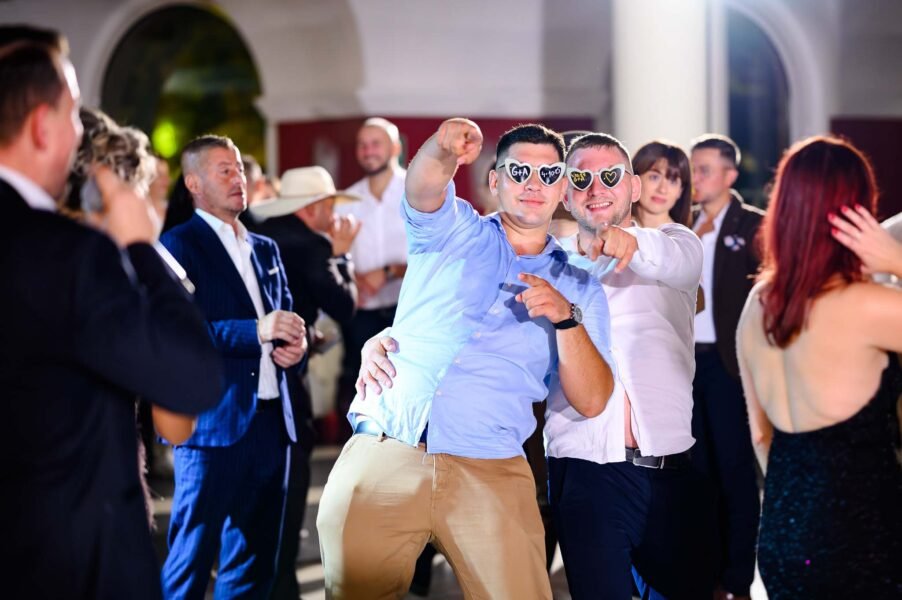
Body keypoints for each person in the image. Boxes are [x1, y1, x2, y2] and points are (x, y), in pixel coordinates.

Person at [360, 132, 713, 599]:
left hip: (670, 469)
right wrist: (387, 341)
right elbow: (467, 318)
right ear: (565, 191)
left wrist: (623, 242)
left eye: (610, 177)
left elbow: (675, 263)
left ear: (633, 187)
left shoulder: (676, 244)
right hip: (584, 470)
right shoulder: (550, 261)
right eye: (581, 178)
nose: (596, 188)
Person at [317, 118, 616, 599]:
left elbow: (593, 399)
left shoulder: (579, 286)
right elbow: (423, 187)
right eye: (519, 171)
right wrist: (442, 146)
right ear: (494, 181)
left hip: (492, 466)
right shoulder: (451, 228)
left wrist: (566, 319)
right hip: (387, 446)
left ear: (563, 188)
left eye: (547, 174)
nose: (533, 184)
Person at [0, 26, 222, 600]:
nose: (77, 129)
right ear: (42, 126)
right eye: (71, 112)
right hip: (69, 559)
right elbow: (192, 379)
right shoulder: (69, 255)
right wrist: (143, 250)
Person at [737, 136, 902, 598]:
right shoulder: (869, 305)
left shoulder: (759, 303)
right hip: (860, 532)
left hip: (782, 529)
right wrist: (897, 261)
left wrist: (798, 506)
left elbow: (761, 435)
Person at [160, 135, 308, 599]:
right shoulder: (177, 244)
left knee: (255, 563)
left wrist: (295, 348)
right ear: (193, 184)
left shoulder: (266, 248)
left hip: (272, 424)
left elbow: (284, 322)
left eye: (240, 168)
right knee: (190, 561)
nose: (238, 177)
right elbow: (180, 333)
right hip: (211, 427)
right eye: (223, 169)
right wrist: (256, 331)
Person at [249, 166, 361, 600]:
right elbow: (345, 306)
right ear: (313, 208)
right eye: (329, 205)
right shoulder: (313, 245)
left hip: (250, 370)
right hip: (287, 373)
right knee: (291, 479)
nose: (333, 215)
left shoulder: (259, 235)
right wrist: (342, 256)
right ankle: (280, 586)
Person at [689, 134, 763, 600]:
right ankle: (704, 571)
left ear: (730, 175)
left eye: (705, 170)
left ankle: (737, 579)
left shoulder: (753, 227)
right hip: (685, 363)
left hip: (730, 364)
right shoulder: (682, 224)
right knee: (696, 472)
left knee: (735, 471)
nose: (695, 178)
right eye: (692, 168)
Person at [334, 117, 409, 433]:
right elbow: (335, 251)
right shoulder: (346, 200)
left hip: (408, 307)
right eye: (362, 145)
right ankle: (357, 448)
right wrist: (354, 278)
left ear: (394, 148)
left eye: (375, 143)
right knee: (357, 381)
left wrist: (389, 272)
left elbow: (439, 253)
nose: (368, 151)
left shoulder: (417, 191)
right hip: (362, 311)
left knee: (405, 383)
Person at [631, 140, 693, 228]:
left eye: (672, 181)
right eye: (654, 177)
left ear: (681, 190)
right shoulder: (615, 229)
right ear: (635, 181)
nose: (662, 189)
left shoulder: (682, 236)